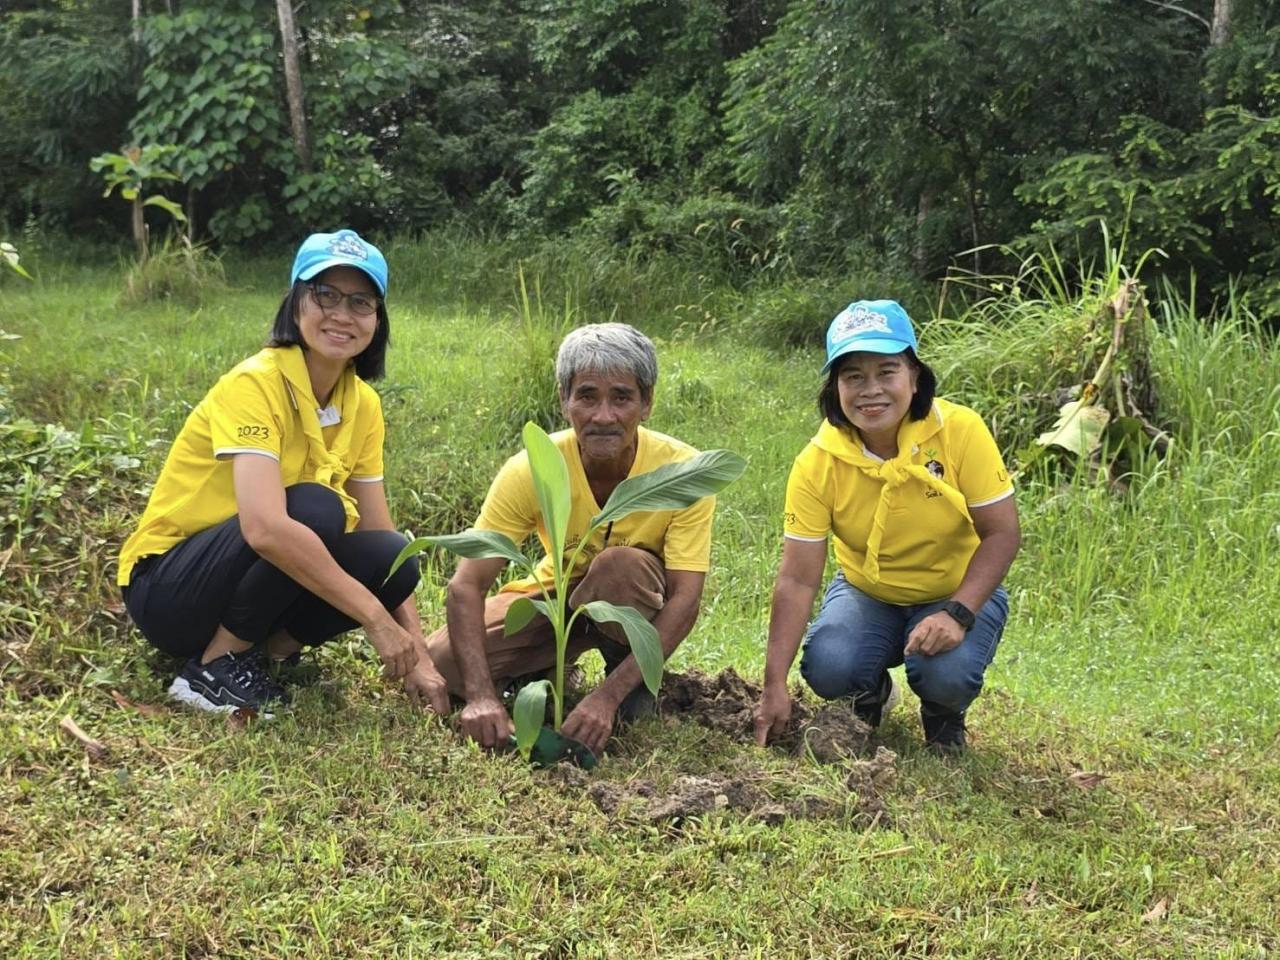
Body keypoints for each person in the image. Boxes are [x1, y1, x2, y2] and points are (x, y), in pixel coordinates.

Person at [117, 229, 449, 716]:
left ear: (378, 321)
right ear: (296, 302)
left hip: (243, 585)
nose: (341, 314)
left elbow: (379, 531)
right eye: (325, 294)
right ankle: (213, 665)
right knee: (314, 507)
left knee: (393, 556)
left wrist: (417, 653)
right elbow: (264, 528)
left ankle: (263, 653)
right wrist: (377, 622)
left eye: (361, 302)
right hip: (170, 590)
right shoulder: (256, 383)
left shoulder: (364, 405)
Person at [425, 322, 716, 756]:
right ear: (564, 401)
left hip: (629, 603)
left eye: (622, 397)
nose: (603, 416)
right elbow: (466, 584)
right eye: (587, 396)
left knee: (620, 567)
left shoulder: (684, 473)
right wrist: (482, 695)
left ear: (647, 403)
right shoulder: (533, 467)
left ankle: (628, 677)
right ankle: (549, 666)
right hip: (555, 593)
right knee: (442, 665)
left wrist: (609, 697)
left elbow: (685, 601)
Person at [753, 300, 1020, 752]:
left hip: (954, 589)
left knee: (947, 674)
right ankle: (870, 696)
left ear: (915, 378)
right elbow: (797, 578)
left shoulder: (960, 431)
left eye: (887, 371)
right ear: (835, 387)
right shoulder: (817, 462)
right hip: (868, 591)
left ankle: (943, 713)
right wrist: (773, 684)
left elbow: (1002, 533)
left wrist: (958, 612)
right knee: (829, 666)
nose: (870, 390)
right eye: (853, 376)